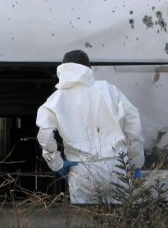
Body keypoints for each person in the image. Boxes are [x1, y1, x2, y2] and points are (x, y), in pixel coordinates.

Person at [36, 49, 144, 204]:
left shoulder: (56, 99)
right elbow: (133, 124)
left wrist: (56, 163)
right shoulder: (109, 90)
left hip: (83, 170)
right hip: (118, 165)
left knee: (86, 222)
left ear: (63, 69)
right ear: (88, 68)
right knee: (121, 221)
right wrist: (135, 162)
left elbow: (45, 134)